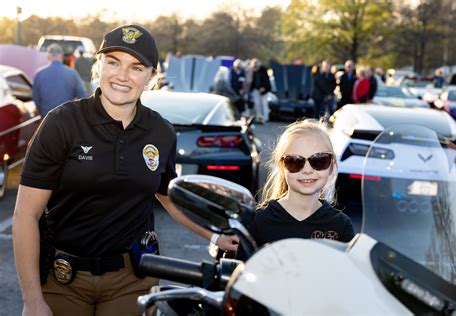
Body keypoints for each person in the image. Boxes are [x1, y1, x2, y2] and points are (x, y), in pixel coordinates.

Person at [12, 24, 237, 316]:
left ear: (152, 76)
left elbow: (168, 195)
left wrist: (215, 236)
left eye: (136, 67)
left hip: (132, 279)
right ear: (99, 66)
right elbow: (25, 215)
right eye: (113, 62)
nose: (121, 75)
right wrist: (32, 300)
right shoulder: (62, 123)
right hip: (63, 276)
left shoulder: (161, 132)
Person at [236, 119, 355, 260]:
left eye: (319, 160)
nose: (307, 170)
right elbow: (241, 277)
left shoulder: (341, 225)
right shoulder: (258, 221)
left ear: (331, 165)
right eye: (295, 161)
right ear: (281, 166)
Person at [33, 43, 87, 117]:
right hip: (67, 117)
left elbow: (36, 98)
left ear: (48, 57)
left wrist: (41, 111)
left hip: (46, 118)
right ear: (62, 56)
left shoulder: (39, 74)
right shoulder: (72, 73)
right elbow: (82, 96)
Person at [249, 58, 271, 123]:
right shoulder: (253, 70)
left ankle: (266, 118)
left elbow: (266, 81)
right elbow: (252, 81)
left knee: (264, 104)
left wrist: (264, 87)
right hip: (256, 89)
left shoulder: (263, 70)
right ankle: (259, 117)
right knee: (257, 104)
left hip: (264, 89)